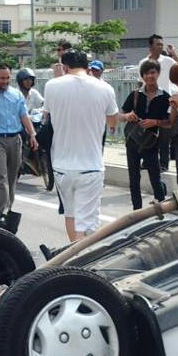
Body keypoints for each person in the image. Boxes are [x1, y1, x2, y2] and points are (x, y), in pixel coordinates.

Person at [44, 49, 119, 241]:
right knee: (86, 223)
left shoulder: (52, 86)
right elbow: (112, 122)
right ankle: (82, 261)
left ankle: (73, 254)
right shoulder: (105, 88)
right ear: (89, 67)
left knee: (71, 215)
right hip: (90, 166)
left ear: (65, 66)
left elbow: (47, 116)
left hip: (61, 166)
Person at [0, 64, 39, 221]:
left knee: (12, 178)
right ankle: (1, 212)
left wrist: (32, 134)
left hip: (14, 139)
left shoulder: (17, 95)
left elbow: (23, 115)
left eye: (7, 78)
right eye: (1, 78)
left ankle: (8, 209)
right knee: (0, 175)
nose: (5, 81)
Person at [119, 60, 171, 210]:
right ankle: (137, 212)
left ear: (158, 74)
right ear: (142, 76)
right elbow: (119, 116)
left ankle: (161, 207)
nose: (150, 76)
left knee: (155, 178)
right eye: (147, 73)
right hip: (133, 142)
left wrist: (155, 122)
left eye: (153, 72)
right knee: (134, 179)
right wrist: (128, 116)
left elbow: (169, 122)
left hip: (151, 143)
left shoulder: (164, 97)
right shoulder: (135, 95)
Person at [139, 34, 178, 172]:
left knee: (164, 135)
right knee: (147, 133)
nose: (161, 46)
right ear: (150, 46)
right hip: (148, 101)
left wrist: (174, 54)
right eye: (158, 44)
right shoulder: (143, 62)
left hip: (164, 101)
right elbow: (140, 81)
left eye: (162, 44)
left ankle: (163, 164)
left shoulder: (167, 61)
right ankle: (147, 161)